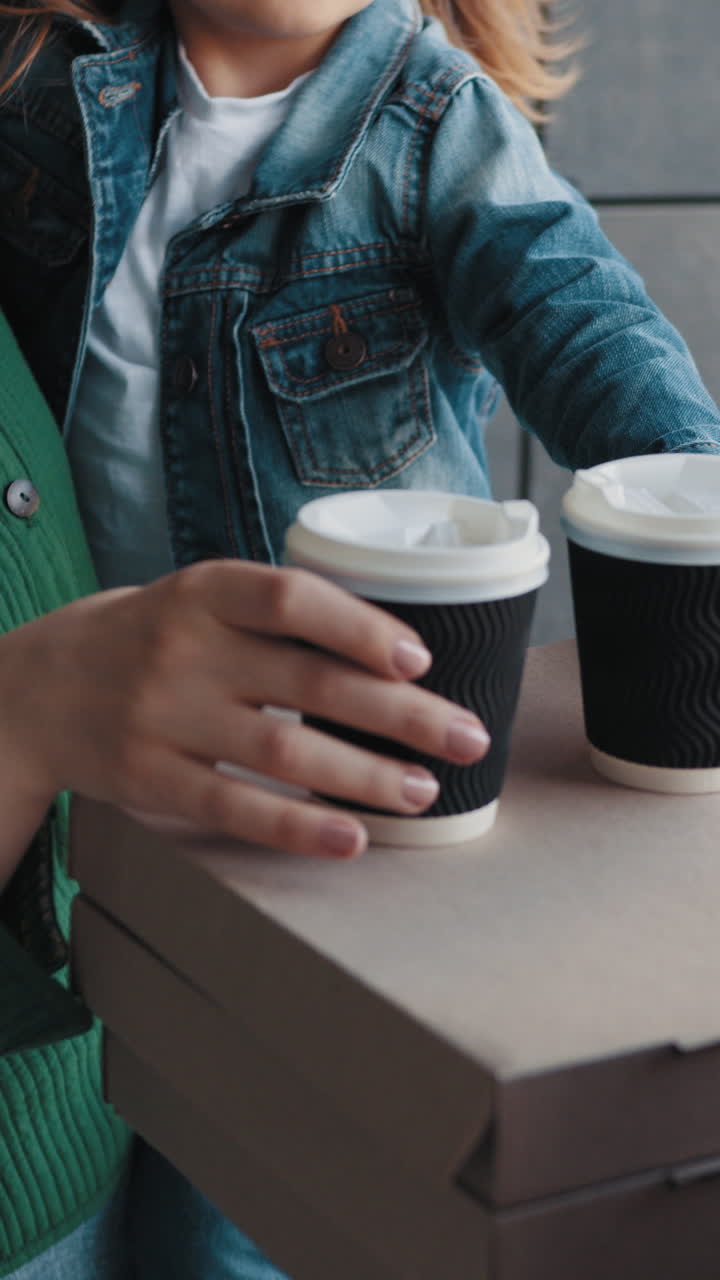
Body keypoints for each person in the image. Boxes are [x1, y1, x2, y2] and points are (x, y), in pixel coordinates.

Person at [0, 0, 718, 1275]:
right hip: (92, 810)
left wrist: (690, 493)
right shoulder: (56, 90)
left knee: (253, 1214)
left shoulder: (437, 124)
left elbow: (583, 320)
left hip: (336, 822)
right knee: (117, 1165)